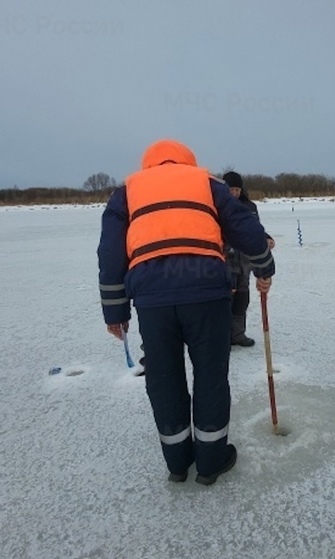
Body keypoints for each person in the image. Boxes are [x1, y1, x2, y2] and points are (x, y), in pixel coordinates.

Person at [97, 139, 275, 485]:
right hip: (206, 291)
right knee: (210, 375)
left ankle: (178, 462)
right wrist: (265, 267)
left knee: (164, 379)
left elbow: (110, 253)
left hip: (152, 297)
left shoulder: (127, 191)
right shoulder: (206, 183)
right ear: (187, 162)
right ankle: (210, 462)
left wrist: (114, 312)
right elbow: (244, 226)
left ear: (149, 165)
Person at [221, 171, 275, 347]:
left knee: (242, 300)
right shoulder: (219, 206)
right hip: (225, 261)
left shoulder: (249, 207)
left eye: (237, 189)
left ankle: (238, 334)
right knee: (225, 299)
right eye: (231, 189)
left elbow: (254, 229)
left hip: (245, 261)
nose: (234, 193)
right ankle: (222, 337)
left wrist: (266, 237)